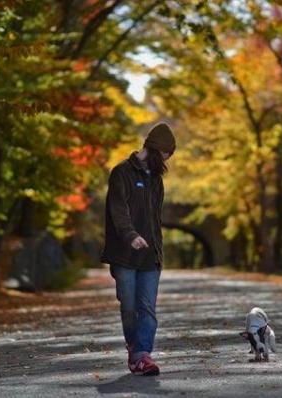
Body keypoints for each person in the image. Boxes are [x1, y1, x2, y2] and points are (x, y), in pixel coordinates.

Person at [101, 122, 176, 376]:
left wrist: (157, 251)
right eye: (166, 155)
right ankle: (135, 348)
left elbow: (156, 218)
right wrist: (130, 235)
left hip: (150, 257)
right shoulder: (121, 173)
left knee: (147, 308)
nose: (166, 162)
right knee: (129, 307)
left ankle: (142, 354)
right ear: (156, 150)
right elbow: (118, 210)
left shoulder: (156, 180)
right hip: (124, 255)